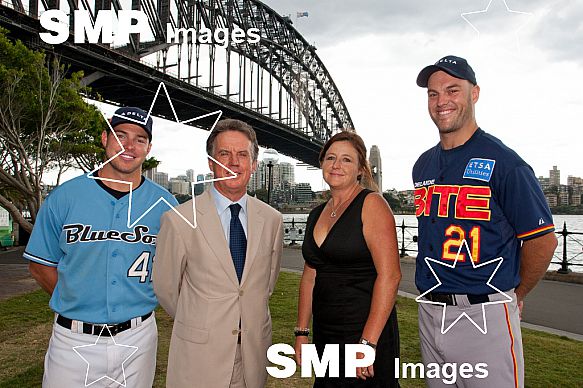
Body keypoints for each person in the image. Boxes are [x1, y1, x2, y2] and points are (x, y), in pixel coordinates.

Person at [413, 55, 558, 387]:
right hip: (430, 310)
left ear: (474, 93)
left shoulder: (506, 163)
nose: (441, 101)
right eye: (433, 94)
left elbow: (543, 240)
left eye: (453, 90)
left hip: (484, 312)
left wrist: (514, 294)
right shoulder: (423, 165)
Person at [24, 107, 178, 387]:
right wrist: (78, 298)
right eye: (121, 136)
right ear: (105, 138)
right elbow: (40, 264)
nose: (129, 146)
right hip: (73, 338)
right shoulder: (65, 197)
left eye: (139, 139)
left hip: (138, 336)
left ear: (148, 147)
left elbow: (181, 267)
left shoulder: (166, 204)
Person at [153, 118, 283, 388]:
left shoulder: (272, 220)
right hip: (201, 356)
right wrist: (202, 320)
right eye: (224, 154)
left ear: (254, 164)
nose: (233, 162)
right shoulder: (179, 219)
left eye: (242, 155)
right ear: (211, 163)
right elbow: (167, 289)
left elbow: (265, 285)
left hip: (252, 354)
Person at [295, 131, 401, 387]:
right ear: (321, 164)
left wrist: (367, 343)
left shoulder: (372, 204)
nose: (336, 165)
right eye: (330, 158)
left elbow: (391, 276)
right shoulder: (316, 214)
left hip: (364, 331)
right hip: (326, 333)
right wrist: (301, 332)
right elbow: (310, 275)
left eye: (346, 160)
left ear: (360, 169)